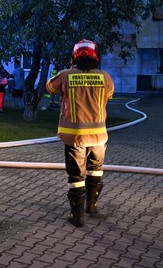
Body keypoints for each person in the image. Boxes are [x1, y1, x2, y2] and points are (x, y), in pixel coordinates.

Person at [46, 39, 114, 227]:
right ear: (95, 57)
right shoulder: (105, 77)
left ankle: (77, 217)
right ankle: (91, 207)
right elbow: (109, 95)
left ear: (75, 56)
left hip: (75, 136)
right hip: (99, 136)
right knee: (96, 171)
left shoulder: (66, 75)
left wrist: (68, 71)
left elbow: (49, 88)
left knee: (76, 176)